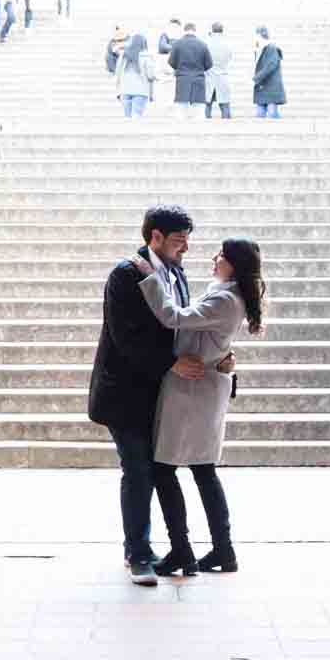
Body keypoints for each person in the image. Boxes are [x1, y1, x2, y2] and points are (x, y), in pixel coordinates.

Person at [85, 206, 231, 586]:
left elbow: (185, 325)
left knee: (160, 469)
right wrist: (171, 363)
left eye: (187, 240)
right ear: (156, 238)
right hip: (125, 394)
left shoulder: (176, 272)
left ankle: (177, 549)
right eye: (180, 241)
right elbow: (125, 337)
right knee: (137, 470)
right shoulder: (125, 274)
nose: (186, 249)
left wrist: (219, 359)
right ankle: (138, 553)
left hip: (163, 395)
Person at [135, 236, 263, 576]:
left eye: (221, 255)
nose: (214, 258)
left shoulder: (225, 299)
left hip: (194, 391)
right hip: (201, 388)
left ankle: (183, 550)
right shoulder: (226, 293)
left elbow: (171, 316)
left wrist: (148, 276)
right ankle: (222, 550)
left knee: (165, 469)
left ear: (234, 263)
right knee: (203, 470)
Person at [168, 21, 212, 122]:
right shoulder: (203, 45)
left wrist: (179, 68)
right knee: (199, 111)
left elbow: (171, 62)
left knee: (180, 110)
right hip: (198, 79)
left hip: (182, 79)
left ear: (184, 30)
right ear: (195, 31)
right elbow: (209, 64)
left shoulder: (177, 44)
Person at [116, 31, 156, 118]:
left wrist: (118, 90)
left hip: (125, 90)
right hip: (140, 90)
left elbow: (118, 74)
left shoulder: (123, 56)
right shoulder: (146, 56)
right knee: (136, 116)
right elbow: (150, 75)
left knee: (127, 117)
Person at [252, 24, 286, 119]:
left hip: (271, 87)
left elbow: (270, 66)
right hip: (262, 87)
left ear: (259, 35)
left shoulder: (271, 48)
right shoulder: (259, 49)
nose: (254, 38)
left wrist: (255, 79)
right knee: (260, 114)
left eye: (255, 35)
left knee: (272, 114)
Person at [204, 21, 234, 121]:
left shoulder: (207, 43)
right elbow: (230, 58)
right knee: (225, 105)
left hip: (209, 77)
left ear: (212, 30)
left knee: (207, 105)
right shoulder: (228, 44)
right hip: (222, 76)